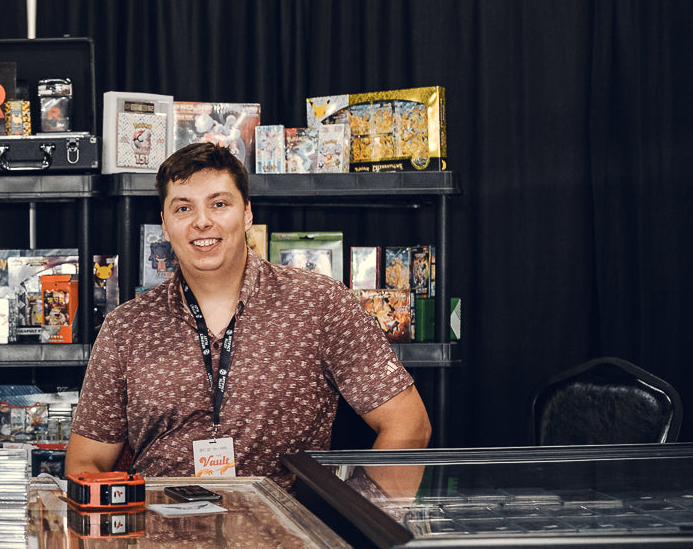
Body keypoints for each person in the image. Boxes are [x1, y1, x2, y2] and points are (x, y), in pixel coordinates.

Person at [67, 142, 430, 485]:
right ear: (165, 224)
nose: (202, 221)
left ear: (246, 214)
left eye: (219, 204)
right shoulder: (127, 326)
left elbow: (409, 427)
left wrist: (355, 513)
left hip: (289, 529)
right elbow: (86, 462)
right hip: (158, 527)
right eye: (183, 208)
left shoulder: (319, 303)